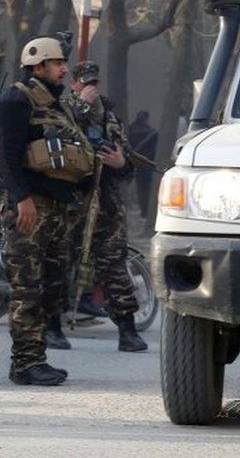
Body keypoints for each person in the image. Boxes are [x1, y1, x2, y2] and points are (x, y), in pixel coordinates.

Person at [0, 37, 95, 385]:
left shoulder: (58, 106)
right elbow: (6, 157)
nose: (64, 69)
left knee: (52, 289)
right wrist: (21, 199)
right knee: (28, 289)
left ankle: (37, 357)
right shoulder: (16, 100)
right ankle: (25, 364)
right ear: (37, 66)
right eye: (57, 63)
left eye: (63, 63)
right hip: (29, 212)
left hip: (58, 212)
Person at [60, 61, 148, 352]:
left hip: (106, 202)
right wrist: (80, 107)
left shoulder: (109, 116)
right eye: (84, 83)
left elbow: (128, 164)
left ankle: (128, 329)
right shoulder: (62, 110)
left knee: (113, 265)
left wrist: (120, 163)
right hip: (70, 200)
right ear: (73, 83)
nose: (90, 89)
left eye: (93, 83)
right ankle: (51, 327)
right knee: (58, 261)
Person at [127, 110, 158, 219]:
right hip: (147, 163)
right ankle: (146, 211)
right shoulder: (151, 133)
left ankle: (144, 211)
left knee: (141, 189)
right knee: (147, 189)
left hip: (136, 163)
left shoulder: (131, 130)